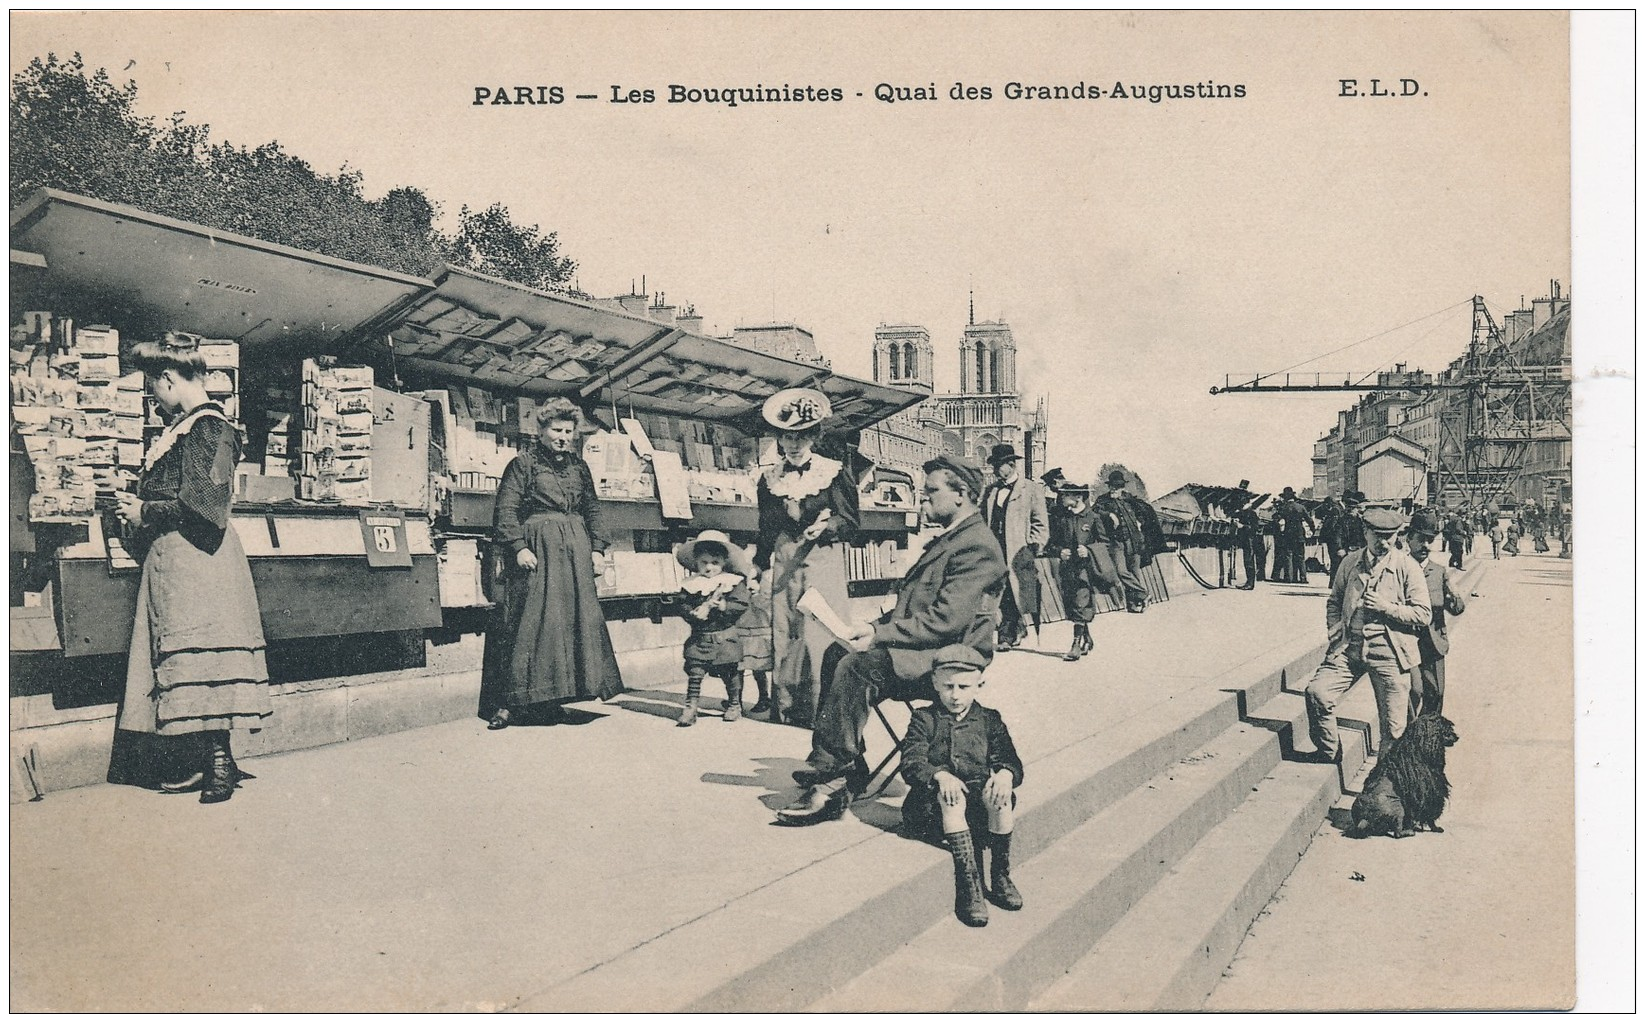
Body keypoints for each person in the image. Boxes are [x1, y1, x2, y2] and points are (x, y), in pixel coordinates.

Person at [777, 456, 1008, 826]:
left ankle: (832, 777)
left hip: (949, 657)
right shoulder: (953, 539)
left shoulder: (976, 545)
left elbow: (946, 622)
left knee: (857, 666)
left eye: (932, 492)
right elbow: (914, 608)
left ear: (962, 495)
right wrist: (870, 626)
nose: (923, 500)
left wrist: (878, 635)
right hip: (924, 648)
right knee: (838, 651)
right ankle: (848, 763)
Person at [113, 333, 271, 804]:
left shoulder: (211, 428)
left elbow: (206, 506)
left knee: (202, 657)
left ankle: (217, 764)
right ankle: (207, 762)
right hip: (179, 563)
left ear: (166, 379)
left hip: (199, 561)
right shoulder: (188, 430)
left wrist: (145, 512)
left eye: (152, 386)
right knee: (188, 662)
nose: (153, 399)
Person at [480, 399, 625, 730]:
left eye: (569, 431)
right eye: (556, 430)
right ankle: (510, 704)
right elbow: (505, 509)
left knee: (568, 623)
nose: (563, 437)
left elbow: (593, 509)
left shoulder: (579, 467)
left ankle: (555, 700)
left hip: (575, 553)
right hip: (538, 552)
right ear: (541, 431)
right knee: (532, 624)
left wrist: (598, 549)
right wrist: (517, 547)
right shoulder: (523, 464)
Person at [754, 388, 860, 727]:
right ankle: (786, 708)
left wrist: (826, 528)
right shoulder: (769, 479)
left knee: (819, 631)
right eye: (788, 436)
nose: (794, 443)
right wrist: (759, 564)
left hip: (822, 560)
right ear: (780, 438)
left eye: (802, 436)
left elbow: (852, 522)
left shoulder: (834, 472)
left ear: (814, 435)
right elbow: (766, 527)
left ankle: (822, 710)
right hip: (785, 561)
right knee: (785, 630)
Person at [899, 645, 1025, 928]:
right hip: (930, 808)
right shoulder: (924, 719)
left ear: (979, 684)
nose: (955, 695)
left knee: (1001, 795)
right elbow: (911, 762)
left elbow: (1009, 758)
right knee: (951, 796)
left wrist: (1005, 774)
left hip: (976, 812)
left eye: (964, 686)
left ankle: (1001, 874)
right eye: (948, 687)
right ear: (934, 684)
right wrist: (939, 776)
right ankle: (970, 886)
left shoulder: (989, 719)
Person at [1300, 507, 1432, 763]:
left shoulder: (1407, 567)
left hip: (1391, 652)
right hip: (1350, 648)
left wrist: (1387, 608)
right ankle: (1328, 752)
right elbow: (1334, 601)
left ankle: (1383, 786)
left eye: (1390, 537)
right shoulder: (1350, 563)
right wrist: (1335, 628)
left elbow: (1423, 614)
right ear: (1365, 532)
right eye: (1377, 536)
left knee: (1394, 728)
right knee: (1318, 693)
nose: (1384, 543)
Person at [671, 532, 754, 727]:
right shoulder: (691, 585)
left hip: (725, 638)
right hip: (700, 638)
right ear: (696, 562)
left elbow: (741, 604)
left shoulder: (732, 582)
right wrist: (692, 613)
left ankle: (734, 704)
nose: (709, 567)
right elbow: (681, 605)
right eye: (704, 562)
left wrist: (724, 606)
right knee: (695, 671)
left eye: (715, 562)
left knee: (730, 673)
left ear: (724, 562)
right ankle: (690, 707)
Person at [981, 445, 1048, 650]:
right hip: (996, 548)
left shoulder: (1031, 489)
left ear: (1011, 465)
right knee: (999, 589)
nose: (994, 470)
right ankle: (1010, 630)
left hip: (1019, 550)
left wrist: (1034, 546)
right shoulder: (991, 491)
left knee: (1015, 590)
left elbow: (1040, 522)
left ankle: (1009, 633)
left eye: (997, 466)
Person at [1403, 515, 1466, 718]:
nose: (1425, 545)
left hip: (1433, 642)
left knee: (1436, 693)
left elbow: (1456, 609)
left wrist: (1454, 594)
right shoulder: (1398, 568)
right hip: (1406, 641)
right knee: (1414, 692)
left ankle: (1429, 738)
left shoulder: (1438, 571)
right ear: (1408, 539)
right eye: (1420, 539)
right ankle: (1409, 737)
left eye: (1430, 540)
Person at [1044, 483, 1110, 660]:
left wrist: (1089, 550)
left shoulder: (1093, 518)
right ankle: (1086, 639)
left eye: (1066, 495)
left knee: (1081, 601)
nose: (1062, 498)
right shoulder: (1062, 519)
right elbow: (1051, 544)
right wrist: (1059, 552)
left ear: (1078, 497)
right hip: (1067, 570)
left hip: (1086, 571)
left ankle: (1075, 645)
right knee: (1073, 604)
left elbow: (1105, 543)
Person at [1093, 469, 1162, 613]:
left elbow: (1144, 512)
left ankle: (1135, 604)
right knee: (1121, 571)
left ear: (1122, 487)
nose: (1115, 489)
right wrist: (1109, 514)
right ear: (1109, 486)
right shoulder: (1103, 500)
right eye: (1112, 486)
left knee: (1135, 572)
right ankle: (1144, 594)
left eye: (1118, 486)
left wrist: (1141, 523)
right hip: (1116, 542)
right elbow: (1094, 512)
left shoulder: (1130, 499)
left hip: (1134, 541)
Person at [737, 554, 777, 717]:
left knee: (758, 668)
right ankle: (735, 700)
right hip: (741, 629)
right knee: (737, 667)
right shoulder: (735, 583)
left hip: (760, 629)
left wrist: (754, 593)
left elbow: (764, 604)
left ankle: (763, 697)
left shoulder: (765, 583)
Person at [1272, 487, 1312, 584]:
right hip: (1299, 535)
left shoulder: (1284, 508)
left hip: (1288, 535)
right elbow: (1309, 520)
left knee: (1288, 556)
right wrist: (1312, 530)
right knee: (1300, 557)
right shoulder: (1301, 507)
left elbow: (1277, 519)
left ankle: (1288, 578)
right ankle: (1303, 578)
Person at [1330, 490, 1368, 580]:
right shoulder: (1342, 520)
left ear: (1356, 509)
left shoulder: (1361, 520)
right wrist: (1339, 548)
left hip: (1360, 548)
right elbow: (1337, 536)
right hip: (1346, 548)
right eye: (1348, 509)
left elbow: (1366, 534)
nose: (1350, 511)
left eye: (1353, 509)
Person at [1233, 497, 1268, 591]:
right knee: (1248, 561)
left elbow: (1254, 527)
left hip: (1251, 540)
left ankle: (1250, 583)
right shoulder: (1244, 513)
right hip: (1248, 540)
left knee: (1249, 561)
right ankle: (1249, 582)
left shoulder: (1251, 513)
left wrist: (1242, 526)